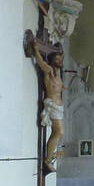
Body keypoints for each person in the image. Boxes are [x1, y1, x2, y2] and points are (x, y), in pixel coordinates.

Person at [33, 44, 64, 174]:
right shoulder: (49, 71)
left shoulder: (58, 75)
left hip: (59, 106)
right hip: (52, 106)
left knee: (59, 133)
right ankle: (47, 160)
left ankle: (49, 159)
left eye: (60, 59)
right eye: (57, 59)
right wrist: (35, 49)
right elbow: (40, 62)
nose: (59, 61)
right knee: (58, 132)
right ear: (52, 61)